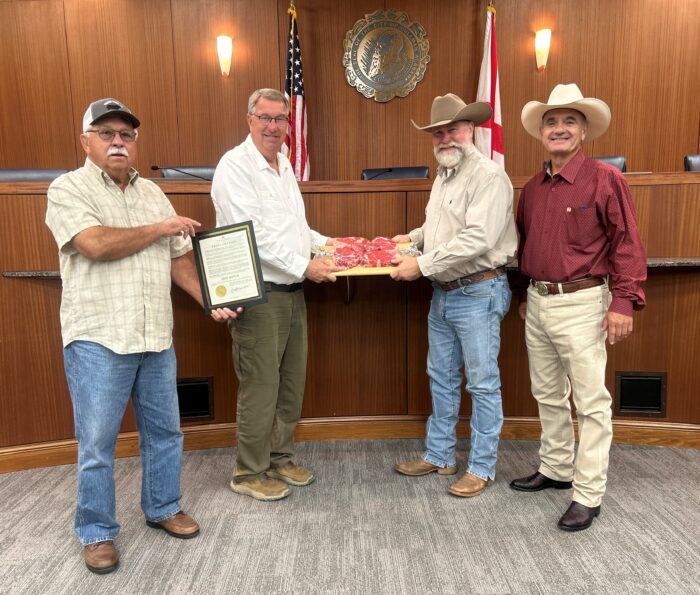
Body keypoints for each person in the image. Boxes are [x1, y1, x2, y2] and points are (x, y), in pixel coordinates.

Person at [46, 98, 237, 574]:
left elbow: (178, 259)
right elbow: (94, 244)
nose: (117, 141)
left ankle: (163, 506)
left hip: (155, 337)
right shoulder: (67, 188)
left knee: (165, 432)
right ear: (86, 140)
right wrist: (159, 227)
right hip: (98, 338)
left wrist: (210, 300)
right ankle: (96, 532)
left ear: (135, 142)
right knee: (97, 443)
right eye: (106, 133)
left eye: (126, 134)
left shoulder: (153, 192)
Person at [509, 84, 646, 531]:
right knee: (547, 394)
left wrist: (623, 301)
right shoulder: (530, 190)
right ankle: (555, 468)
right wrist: (528, 294)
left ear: (584, 132)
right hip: (539, 302)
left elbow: (627, 244)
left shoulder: (606, 180)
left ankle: (588, 493)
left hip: (585, 302)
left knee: (590, 402)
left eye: (570, 121)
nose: (560, 129)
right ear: (541, 133)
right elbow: (526, 246)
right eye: (552, 121)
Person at [211, 88, 337, 502]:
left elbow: (293, 228)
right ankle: (249, 472)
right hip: (260, 295)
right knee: (260, 386)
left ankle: (280, 459)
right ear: (249, 119)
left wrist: (325, 245)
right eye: (264, 117)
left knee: (290, 384)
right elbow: (254, 237)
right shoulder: (234, 166)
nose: (273, 126)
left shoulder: (283, 164)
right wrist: (304, 265)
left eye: (280, 119)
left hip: (293, 293)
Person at [391, 93, 517, 498]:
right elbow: (440, 229)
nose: (446, 138)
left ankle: (481, 467)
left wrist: (422, 265)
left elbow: (478, 238)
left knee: (481, 384)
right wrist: (410, 239)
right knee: (441, 379)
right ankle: (440, 456)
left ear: (471, 130)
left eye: (453, 129)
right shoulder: (443, 176)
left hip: (479, 291)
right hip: (444, 293)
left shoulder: (488, 176)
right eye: (438, 132)